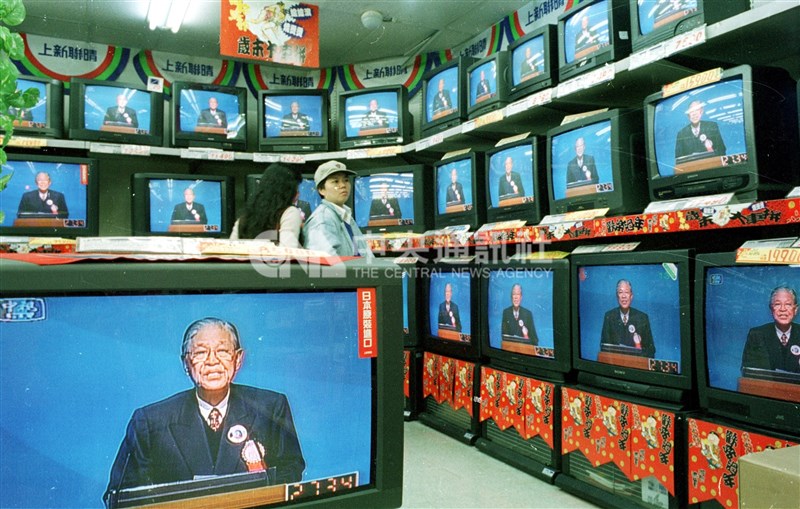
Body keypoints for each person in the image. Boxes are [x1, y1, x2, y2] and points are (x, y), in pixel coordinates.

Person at [104, 317, 306, 502]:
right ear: (186, 362)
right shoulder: (149, 421)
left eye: (222, 351)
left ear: (238, 360)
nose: (212, 361)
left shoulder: (270, 407)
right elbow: (120, 497)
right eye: (200, 352)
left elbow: (291, 474)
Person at [303, 160, 373, 258]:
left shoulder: (345, 215)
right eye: (335, 181)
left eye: (346, 180)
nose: (343, 185)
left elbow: (366, 255)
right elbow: (328, 268)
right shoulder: (322, 220)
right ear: (321, 190)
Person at [231, 163, 303, 248]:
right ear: (287, 191)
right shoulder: (290, 213)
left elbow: (230, 250)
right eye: (296, 188)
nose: (298, 194)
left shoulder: (244, 218)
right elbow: (287, 251)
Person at [741, 286, 800, 374]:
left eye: (788, 304)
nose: (782, 309)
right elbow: (748, 372)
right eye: (777, 304)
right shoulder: (756, 335)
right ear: (771, 309)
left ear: (795, 309)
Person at [600, 279, 656, 357]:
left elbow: (651, 350)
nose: (623, 296)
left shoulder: (642, 317)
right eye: (620, 292)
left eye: (626, 292)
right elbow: (604, 348)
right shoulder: (609, 316)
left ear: (631, 296)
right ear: (617, 296)